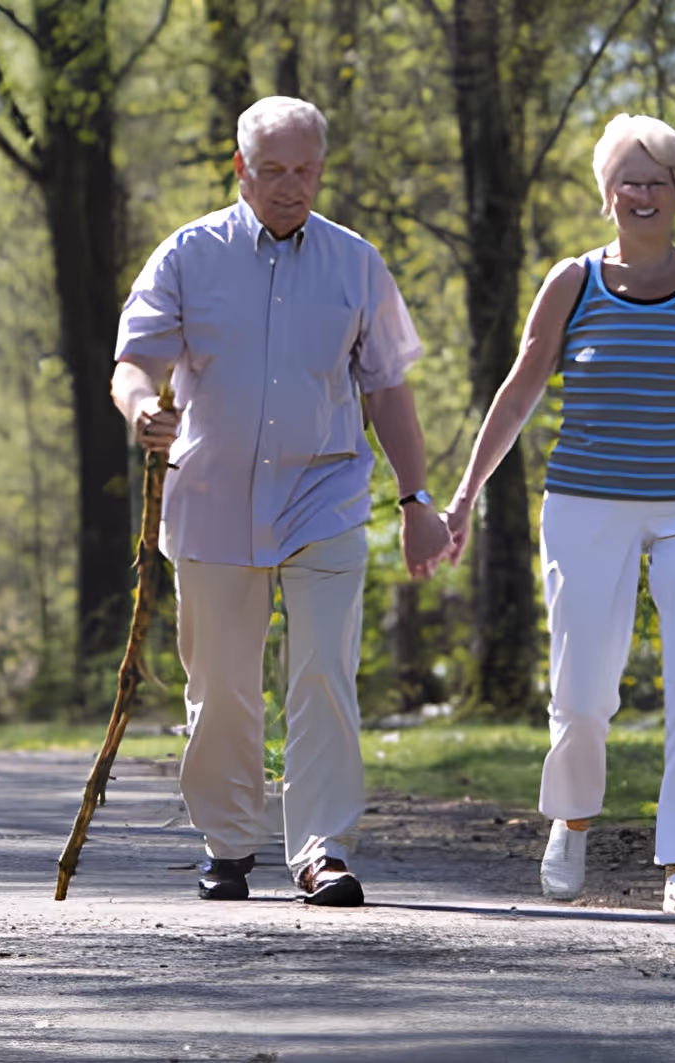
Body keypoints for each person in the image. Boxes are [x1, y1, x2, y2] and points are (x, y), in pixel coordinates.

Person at [441, 114, 675, 914]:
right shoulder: (573, 282)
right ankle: (571, 817)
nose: (643, 193)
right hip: (585, 503)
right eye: (628, 180)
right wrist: (465, 494)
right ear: (606, 193)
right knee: (584, 687)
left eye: (657, 180)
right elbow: (521, 391)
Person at [111, 96, 451, 907]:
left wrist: (416, 499)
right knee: (223, 683)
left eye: (305, 170)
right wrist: (139, 411)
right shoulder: (188, 255)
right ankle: (228, 843)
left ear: (321, 169)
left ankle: (322, 848)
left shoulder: (355, 263)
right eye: (273, 171)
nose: (292, 186)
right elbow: (133, 361)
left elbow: (388, 389)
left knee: (324, 673)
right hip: (211, 499)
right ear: (241, 169)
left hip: (323, 493)